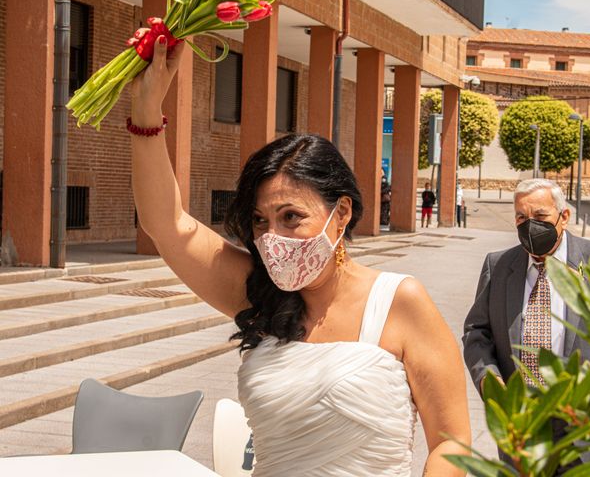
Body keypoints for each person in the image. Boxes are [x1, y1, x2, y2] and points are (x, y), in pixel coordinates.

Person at [130, 36, 470, 476]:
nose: (274, 237)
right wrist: (145, 110)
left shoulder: (400, 302)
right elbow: (166, 224)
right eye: (259, 221)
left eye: (292, 216)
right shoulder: (254, 291)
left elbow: (452, 443)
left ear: (340, 212)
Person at [462, 178, 590, 471]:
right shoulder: (499, 265)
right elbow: (476, 332)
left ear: (564, 216)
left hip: (586, 427)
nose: (529, 226)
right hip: (524, 427)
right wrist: (488, 378)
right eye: (521, 217)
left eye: (541, 217)